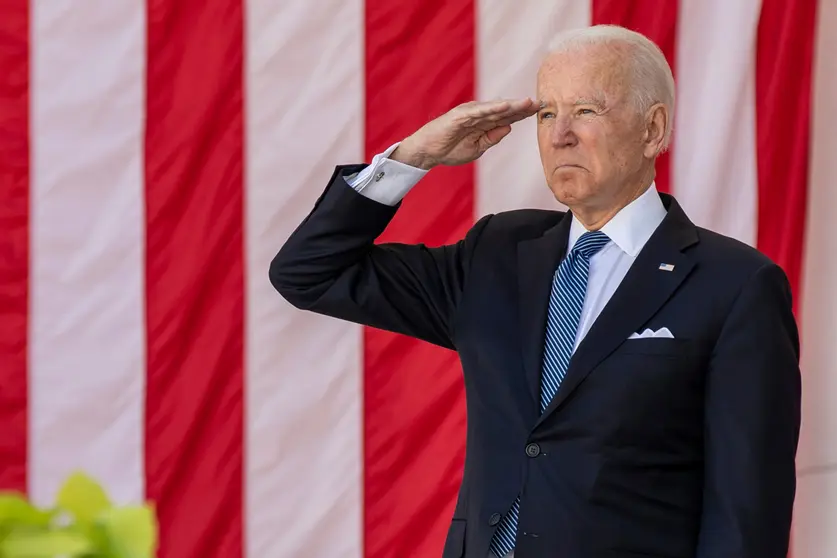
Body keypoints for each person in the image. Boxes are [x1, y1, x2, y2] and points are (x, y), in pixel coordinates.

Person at [269, 24, 801, 558]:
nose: (559, 134)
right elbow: (309, 272)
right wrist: (414, 157)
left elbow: (745, 515)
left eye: (586, 111)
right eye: (547, 113)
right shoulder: (497, 252)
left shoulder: (735, 285)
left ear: (652, 129)